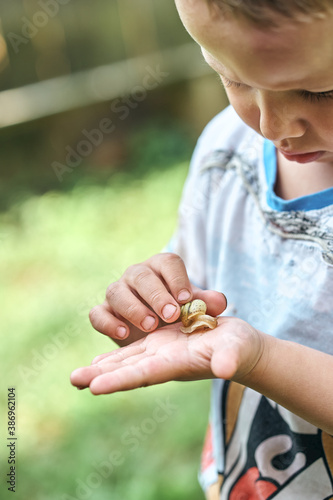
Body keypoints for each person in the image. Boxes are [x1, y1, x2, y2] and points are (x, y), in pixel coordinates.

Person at [71, 0, 333, 497]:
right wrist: (154, 303)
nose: (274, 125)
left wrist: (262, 360)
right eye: (233, 79)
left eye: (321, 91)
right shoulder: (225, 152)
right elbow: (194, 295)